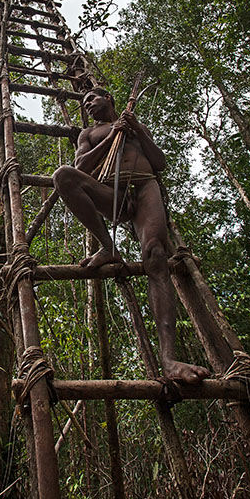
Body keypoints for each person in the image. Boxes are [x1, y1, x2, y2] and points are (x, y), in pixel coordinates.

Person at [53, 87, 209, 384]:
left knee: (156, 256)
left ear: (108, 98)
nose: (88, 105)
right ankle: (108, 246)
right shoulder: (88, 134)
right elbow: (80, 167)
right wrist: (111, 137)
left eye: (92, 99)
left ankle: (169, 360)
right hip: (112, 192)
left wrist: (134, 127)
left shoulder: (134, 124)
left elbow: (159, 163)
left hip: (145, 187)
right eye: (84, 103)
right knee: (62, 176)